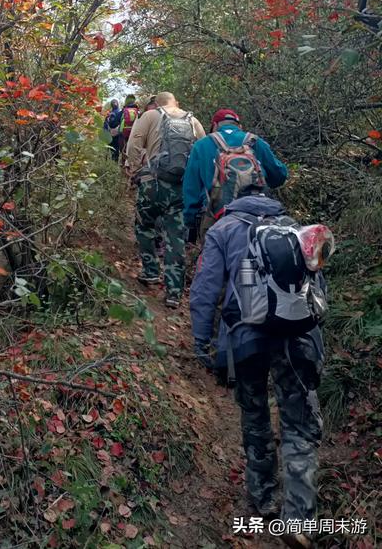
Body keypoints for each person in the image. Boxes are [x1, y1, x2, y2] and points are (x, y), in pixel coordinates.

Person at [190, 189, 327, 548]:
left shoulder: (222, 230)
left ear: (233, 199)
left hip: (245, 338)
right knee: (299, 421)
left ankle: (263, 496)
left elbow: (206, 288)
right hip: (296, 337)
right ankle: (298, 517)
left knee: (255, 414)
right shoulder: (293, 227)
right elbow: (317, 287)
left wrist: (201, 340)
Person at [126, 92, 206, 307]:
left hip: (152, 184)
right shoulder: (193, 120)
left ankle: (151, 271)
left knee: (144, 227)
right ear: (176, 102)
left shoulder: (150, 116)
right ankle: (174, 292)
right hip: (180, 188)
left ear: (157, 103)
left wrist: (135, 170)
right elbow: (203, 152)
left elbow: (133, 145)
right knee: (175, 237)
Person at [183, 108, 288, 243]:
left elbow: (191, 189)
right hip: (258, 216)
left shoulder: (201, 145)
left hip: (218, 218)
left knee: (216, 254)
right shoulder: (256, 142)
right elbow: (280, 176)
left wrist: (190, 221)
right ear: (239, 126)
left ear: (215, 126)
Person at [118, 94, 140, 163]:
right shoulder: (138, 111)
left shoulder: (123, 111)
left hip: (123, 134)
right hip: (135, 133)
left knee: (123, 150)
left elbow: (114, 123)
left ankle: (123, 164)